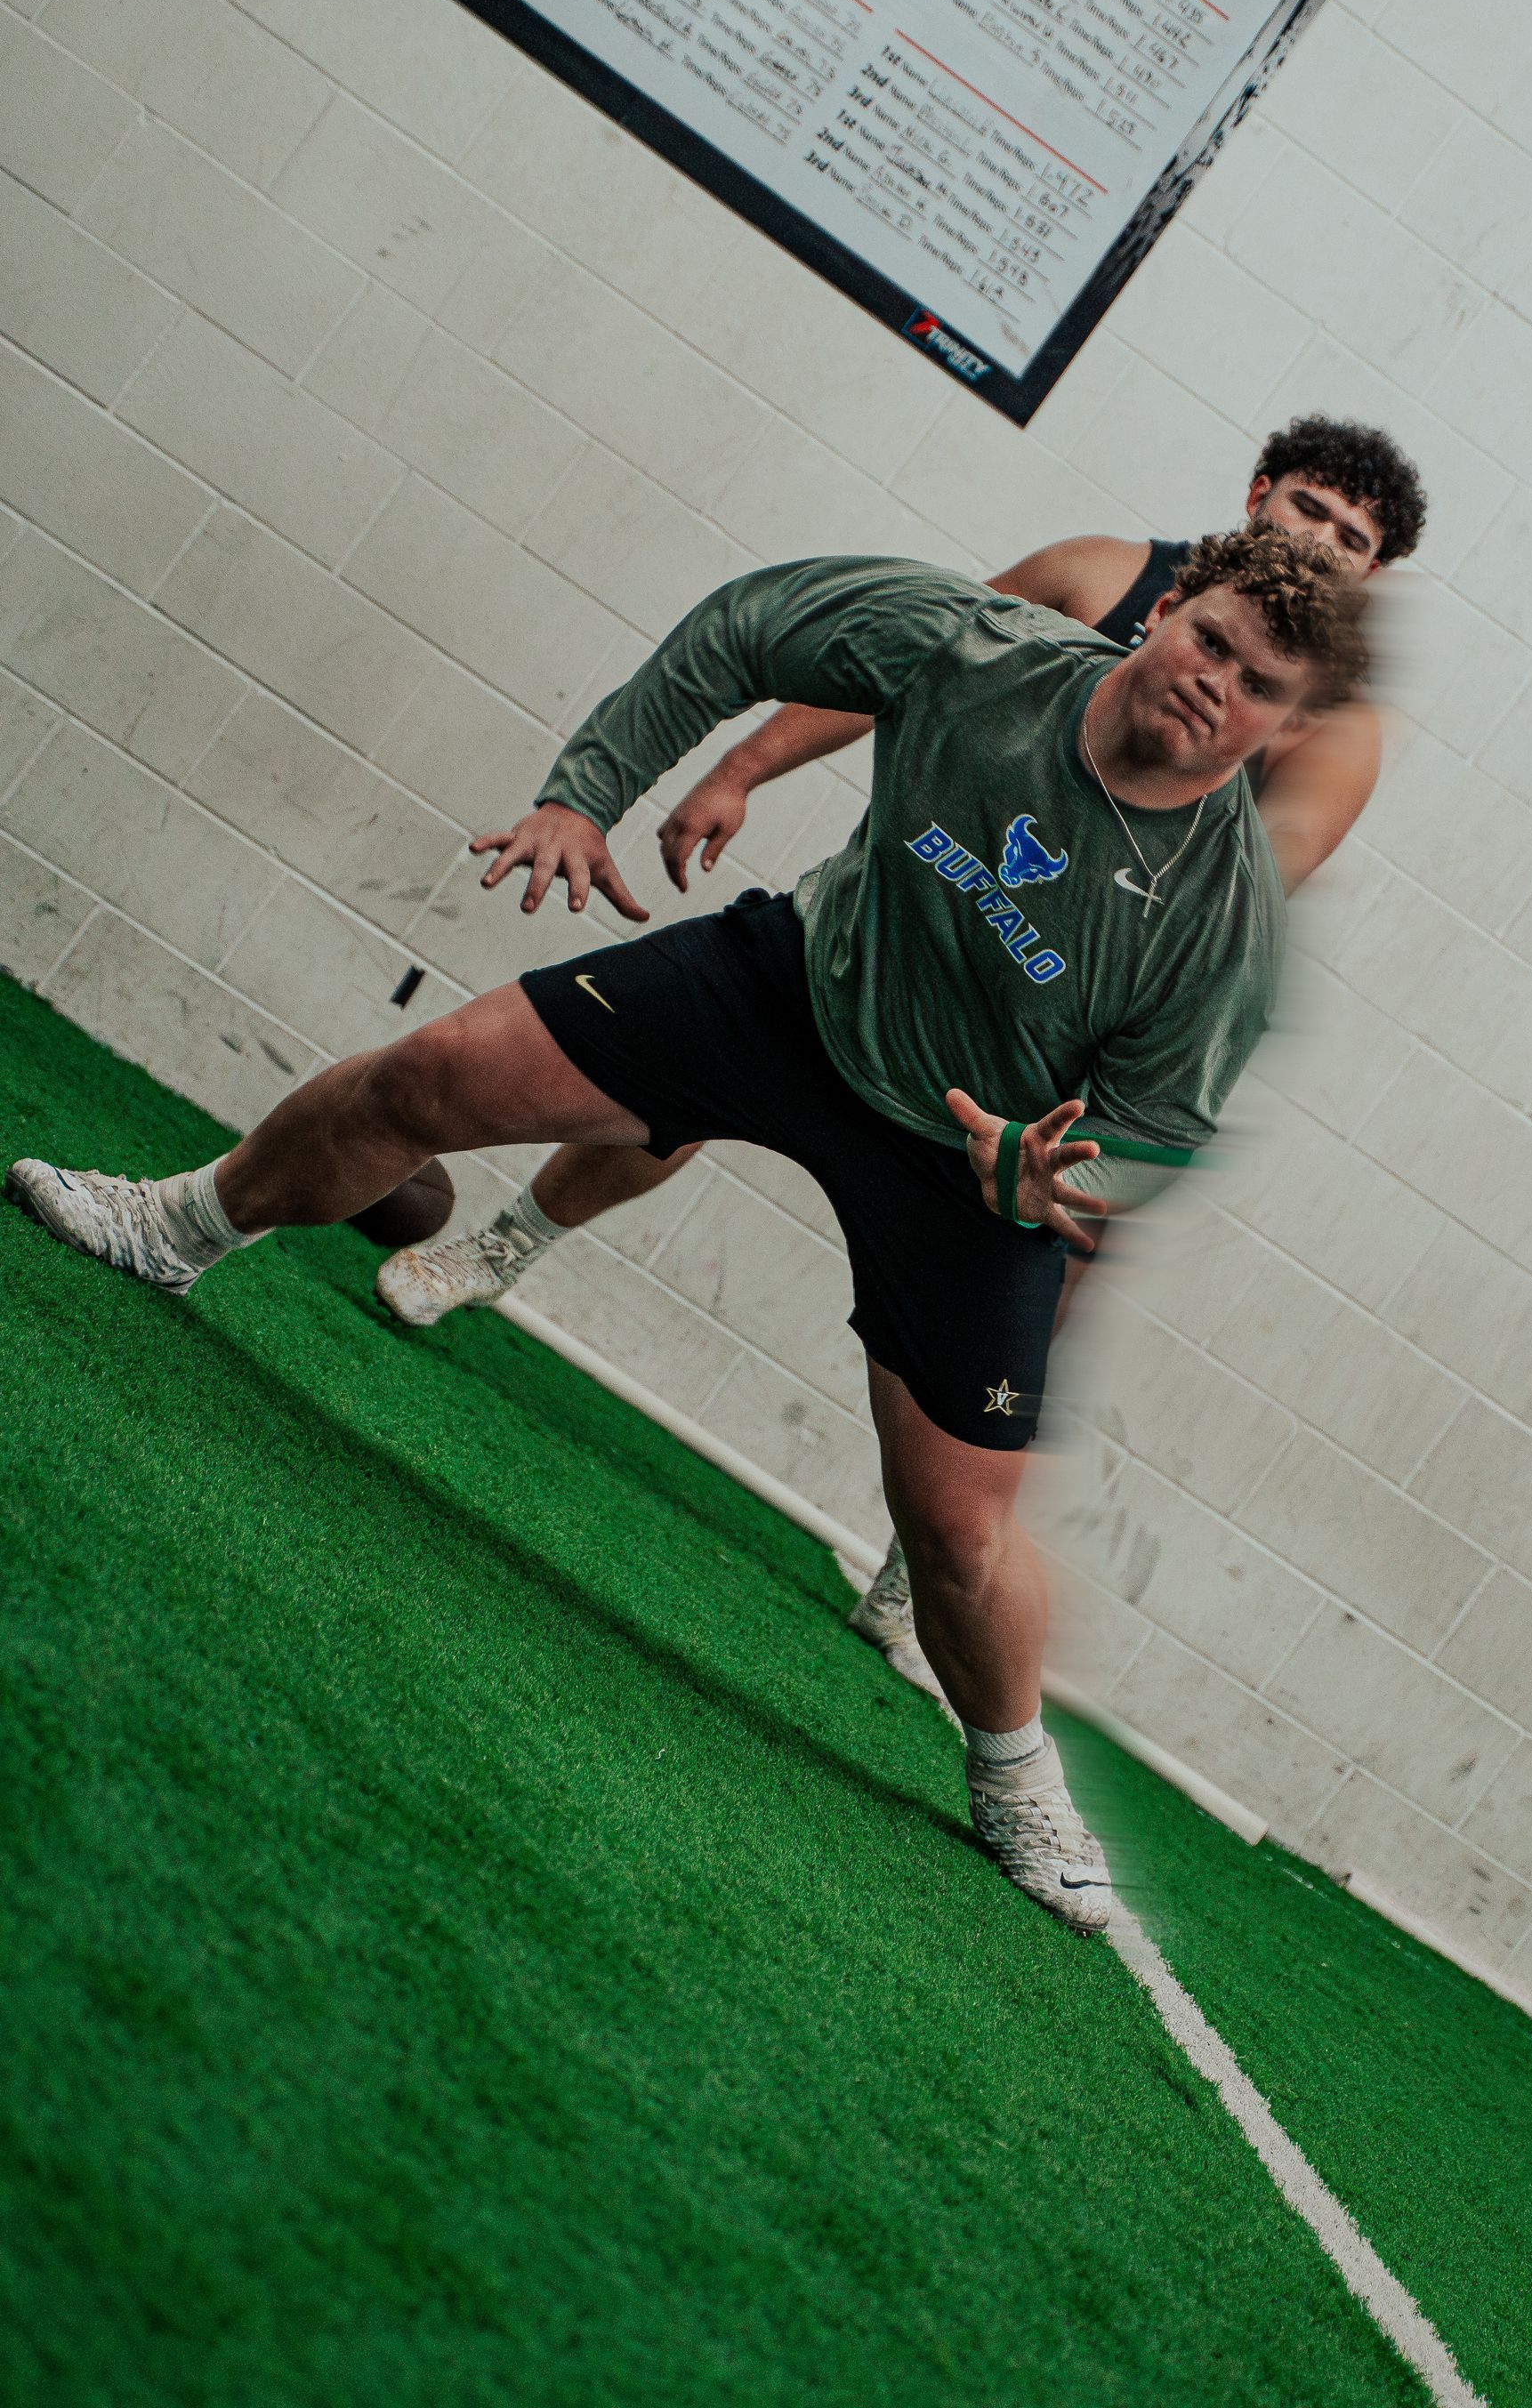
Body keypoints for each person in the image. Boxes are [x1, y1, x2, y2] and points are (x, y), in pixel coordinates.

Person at [8, 527, 1367, 1936]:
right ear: (1168, 613)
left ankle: (1015, 1775)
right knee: (431, 1078)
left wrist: (1042, 1181)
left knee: (959, 1538)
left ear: (1287, 724)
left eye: (1259, 684)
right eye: (1208, 638)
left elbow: (1150, 1133)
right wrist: (587, 794)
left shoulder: (1224, 920)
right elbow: (746, 627)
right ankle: (174, 1225)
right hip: (793, 990)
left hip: (962, 1154)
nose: (1218, 684)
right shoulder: (979, 651)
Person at [375, 415, 1425, 1700]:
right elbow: (895, 659)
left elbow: (1247, 896)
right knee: (687, 1088)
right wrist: (742, 766)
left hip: (1068, 1037)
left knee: (1065, 1265)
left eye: (1349, 539)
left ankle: (916, 1567)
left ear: (1371, 579)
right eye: (1309, 507)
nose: (1316, 539)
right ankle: (504, 1246)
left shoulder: (1328, 731)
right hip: (904, 927)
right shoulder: (1101, 576)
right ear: (1258, 494)